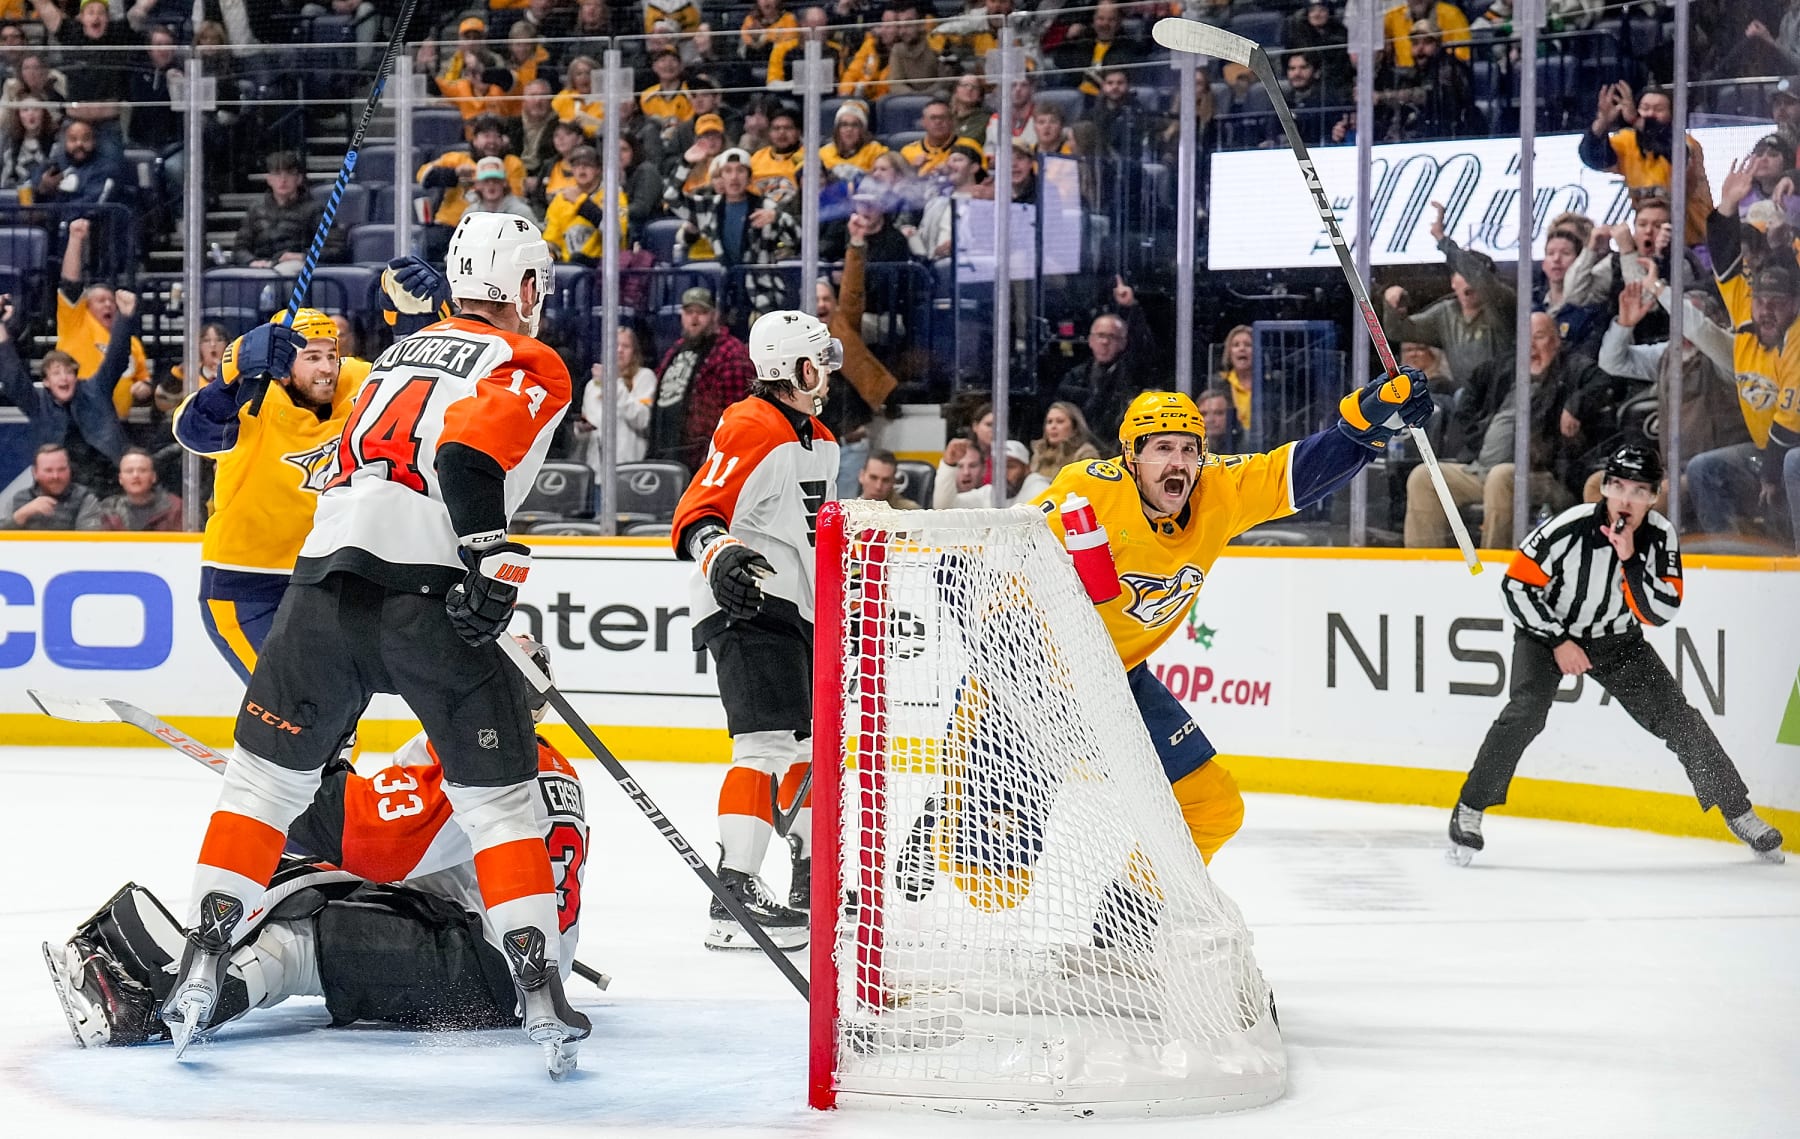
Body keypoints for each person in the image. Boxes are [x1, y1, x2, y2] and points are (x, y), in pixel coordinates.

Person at [161, 215, 588, 1076]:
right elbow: (468, 453)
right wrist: (490, 559)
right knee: (500, 803)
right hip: (429, 596)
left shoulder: (397, 355)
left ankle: (205, 952)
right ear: (530, 290)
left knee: (263, 785)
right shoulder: (530, 360)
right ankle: (538, 984)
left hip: (321, 588)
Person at [1027, 379, 1432, 950]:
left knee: (1212, 806)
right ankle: (947, 813)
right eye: (1162, 448)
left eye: (1190, 448)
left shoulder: (1216, 490)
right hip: (1030, 684)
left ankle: (1121, 926)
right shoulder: (1084, 491)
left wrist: (1367, 424)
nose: (1180, 462)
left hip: (1118, 680)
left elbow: (1289, 475)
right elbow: (1005, 552)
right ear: (1131, 456)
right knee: (990, 885)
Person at [45, 638, 591, 1049]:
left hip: (479, 972)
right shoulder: (544, 764)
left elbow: (364, 840)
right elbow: (379, 838)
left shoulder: (483, 769)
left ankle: (139, 1010)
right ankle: (181, 972)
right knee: (309, 879)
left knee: (299, 938)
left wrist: (286, 777)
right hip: (517, 966)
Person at [1447, 445, 1785, 865]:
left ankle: (1739, 812)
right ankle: (1469, 809)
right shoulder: (1568, 528)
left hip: (1617, 641)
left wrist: (1629, 560)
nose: (1626, 500)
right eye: (1619, 487)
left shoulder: (1660, 538)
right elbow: (1515, 586)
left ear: (1654, 495)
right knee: (1525, 713)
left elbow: (1658, 613)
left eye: (1639, 491)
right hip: (1547, 633)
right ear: (1605, 488)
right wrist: (1557, 641)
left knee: (1681, 721)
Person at [670, 309, 841, 948]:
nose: (827, 371)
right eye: (818, 359)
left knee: (804, 750)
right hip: (746, 608)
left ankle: (807, 878)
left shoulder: (820, 438)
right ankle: (733, 894)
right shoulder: (749, 423)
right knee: (765, 750)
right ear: (798, 368)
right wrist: (720, 554)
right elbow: (696, 511)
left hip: (795, 612)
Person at [172, 306, 381, 681]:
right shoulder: (254, 400)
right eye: (312, 357)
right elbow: (193, 431)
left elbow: (418, 388)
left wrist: (423, 322)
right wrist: (230, 377)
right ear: (283, 366)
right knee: (298, 703)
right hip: (246, 584)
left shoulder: (358, 383)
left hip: (324, 580)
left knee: (334, 714)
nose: (327, 368)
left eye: (331, 355)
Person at [0, 288, 135, 495]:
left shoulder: (95, 388)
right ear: (46, 382)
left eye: (68, 372)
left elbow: (116, 360)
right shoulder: (37, 403)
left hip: (109, 481)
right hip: (60, 488)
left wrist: (124, 318)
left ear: (76, 376)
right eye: (56, 373)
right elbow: (11, 376)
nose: (64, 378)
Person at [815, 213, 900, 496]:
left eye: (827, 298)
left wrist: (856, 243)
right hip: (814, 449)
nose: (822, 304)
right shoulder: (796, 343)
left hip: (850, 445)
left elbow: (852, 290)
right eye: (816, 300)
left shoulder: (843, 327)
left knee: (848, 521)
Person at [1579, 82, 1710, 249]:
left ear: (1671, 115)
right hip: (1650, 243)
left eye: (1658, 109)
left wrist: (1636, 120)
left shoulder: (1687, 143)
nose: (1650, 114)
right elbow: (1593, 158)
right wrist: (1602, 122)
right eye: (1645, 108)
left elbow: (1677, 154)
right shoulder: (1628, 142)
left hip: (1693, 242)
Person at [648, 286, 757, 472]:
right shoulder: (677, 349)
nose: (695, 319)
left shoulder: (731, 354)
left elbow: (740, 416)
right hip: (667, 451)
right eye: (689, 312)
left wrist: (718, 456)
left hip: (705, 459)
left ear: (715, 315)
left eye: (702, 312)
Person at [234, 150, 337, 272]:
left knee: (287, 270)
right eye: (277, 174)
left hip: (296, 267)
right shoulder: (256, 209)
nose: (283, 180)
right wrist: (251, 261)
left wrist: (302, 256)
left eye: (289, 174)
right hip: (261, 266)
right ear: (269, 179)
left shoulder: (315, 209)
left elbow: (334, 248)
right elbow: (239, 248)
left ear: (298, 179)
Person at [580, 326, 656, 473]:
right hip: (597, 472)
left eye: (626, 346)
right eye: (615, 345)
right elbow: (587, 430)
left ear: (634, 352)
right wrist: (581, 430)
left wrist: (613, 384)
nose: (619, 350)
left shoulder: (645, 378)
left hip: (630, 472)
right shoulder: (592, 385)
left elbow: (642, 420)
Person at [0, 442, 101, 530]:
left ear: (70, 470)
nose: (55, 476)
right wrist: (21, 515)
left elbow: (89, 543)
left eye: (61, 469)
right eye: (48, 470)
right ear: (35, 473)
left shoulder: (84, 498)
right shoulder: (18, 499)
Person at [98, 446, 181, 531]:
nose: (136, 475)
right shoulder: (108, 510)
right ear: (120, 479)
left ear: (153, 477)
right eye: (129, 471)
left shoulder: (175, 507)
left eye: (142, 470)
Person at [1030, 400, 1099, 480]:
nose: (1053, 426)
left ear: (1075, 428)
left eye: (1060, 421)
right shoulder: (1039, 452)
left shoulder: (1085, 454)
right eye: (1049, 422)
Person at [464, 155, 540, 224]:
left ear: (504, 183)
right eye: (486, 181)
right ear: (477, 185)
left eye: (496, 180)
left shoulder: (521, 213)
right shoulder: (470, 215)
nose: (491, 185)